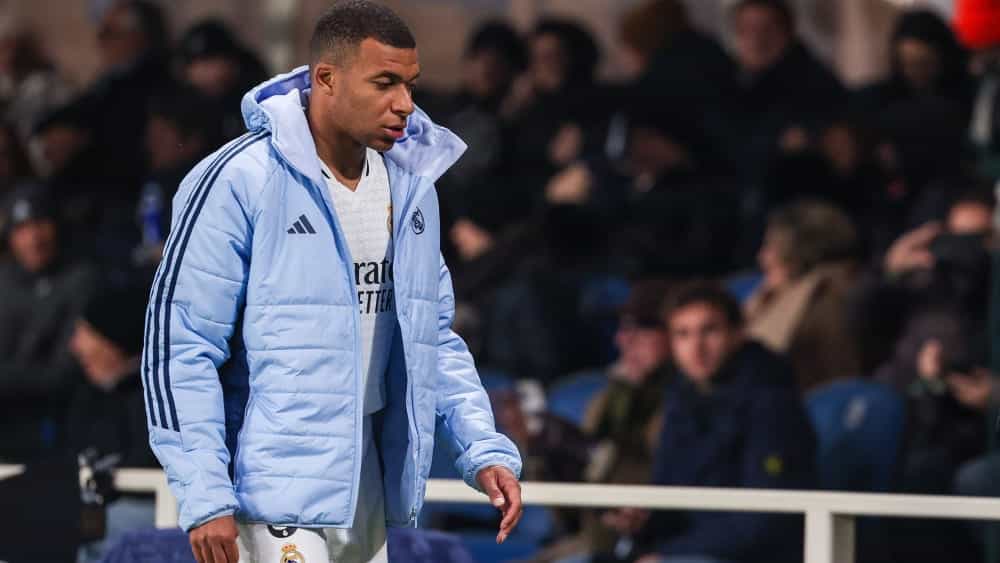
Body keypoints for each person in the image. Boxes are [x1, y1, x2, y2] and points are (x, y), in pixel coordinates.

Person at [141, 3, 523, 563]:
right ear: (326, 78)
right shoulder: (240, 179)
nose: (405, 103)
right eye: (384, 83)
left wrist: (482, 447)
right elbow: (181, 347)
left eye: (410, 85)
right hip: (267, 484)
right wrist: (204, 492)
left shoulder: (411, 188)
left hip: (367, 479)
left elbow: (433, 338)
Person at [610, 283, 815, 563]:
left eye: (710, 331)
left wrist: (667, 555)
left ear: (737, 333)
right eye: (683, 334)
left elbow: (765, 520)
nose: (696, 347)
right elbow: (669, 497)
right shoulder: (679, 398)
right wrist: (644, 521)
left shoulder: (773, 403)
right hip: (686, 550)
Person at [0, 184, 98, 462]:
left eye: (40, 224)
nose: (33, 238)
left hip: (58, 432)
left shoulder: (81, 279)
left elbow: (62, 375)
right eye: (22, 229)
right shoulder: (4, 282)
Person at [69, 284, 160, 563]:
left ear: (114, 341)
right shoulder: (86, 395)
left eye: (86, 333)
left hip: (152, 513)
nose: (75, 346)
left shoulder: (159, 395)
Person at [744, 200, 862, 392]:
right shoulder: (773, 293)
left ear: (799, 254)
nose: (762, 257)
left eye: (771, 248)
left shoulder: (824, 301)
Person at [176, 19, 270, 141]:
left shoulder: (254, 97)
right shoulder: (184, 101)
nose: (202, 74)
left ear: (232, 63)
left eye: (208, 64)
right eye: (194, 66)